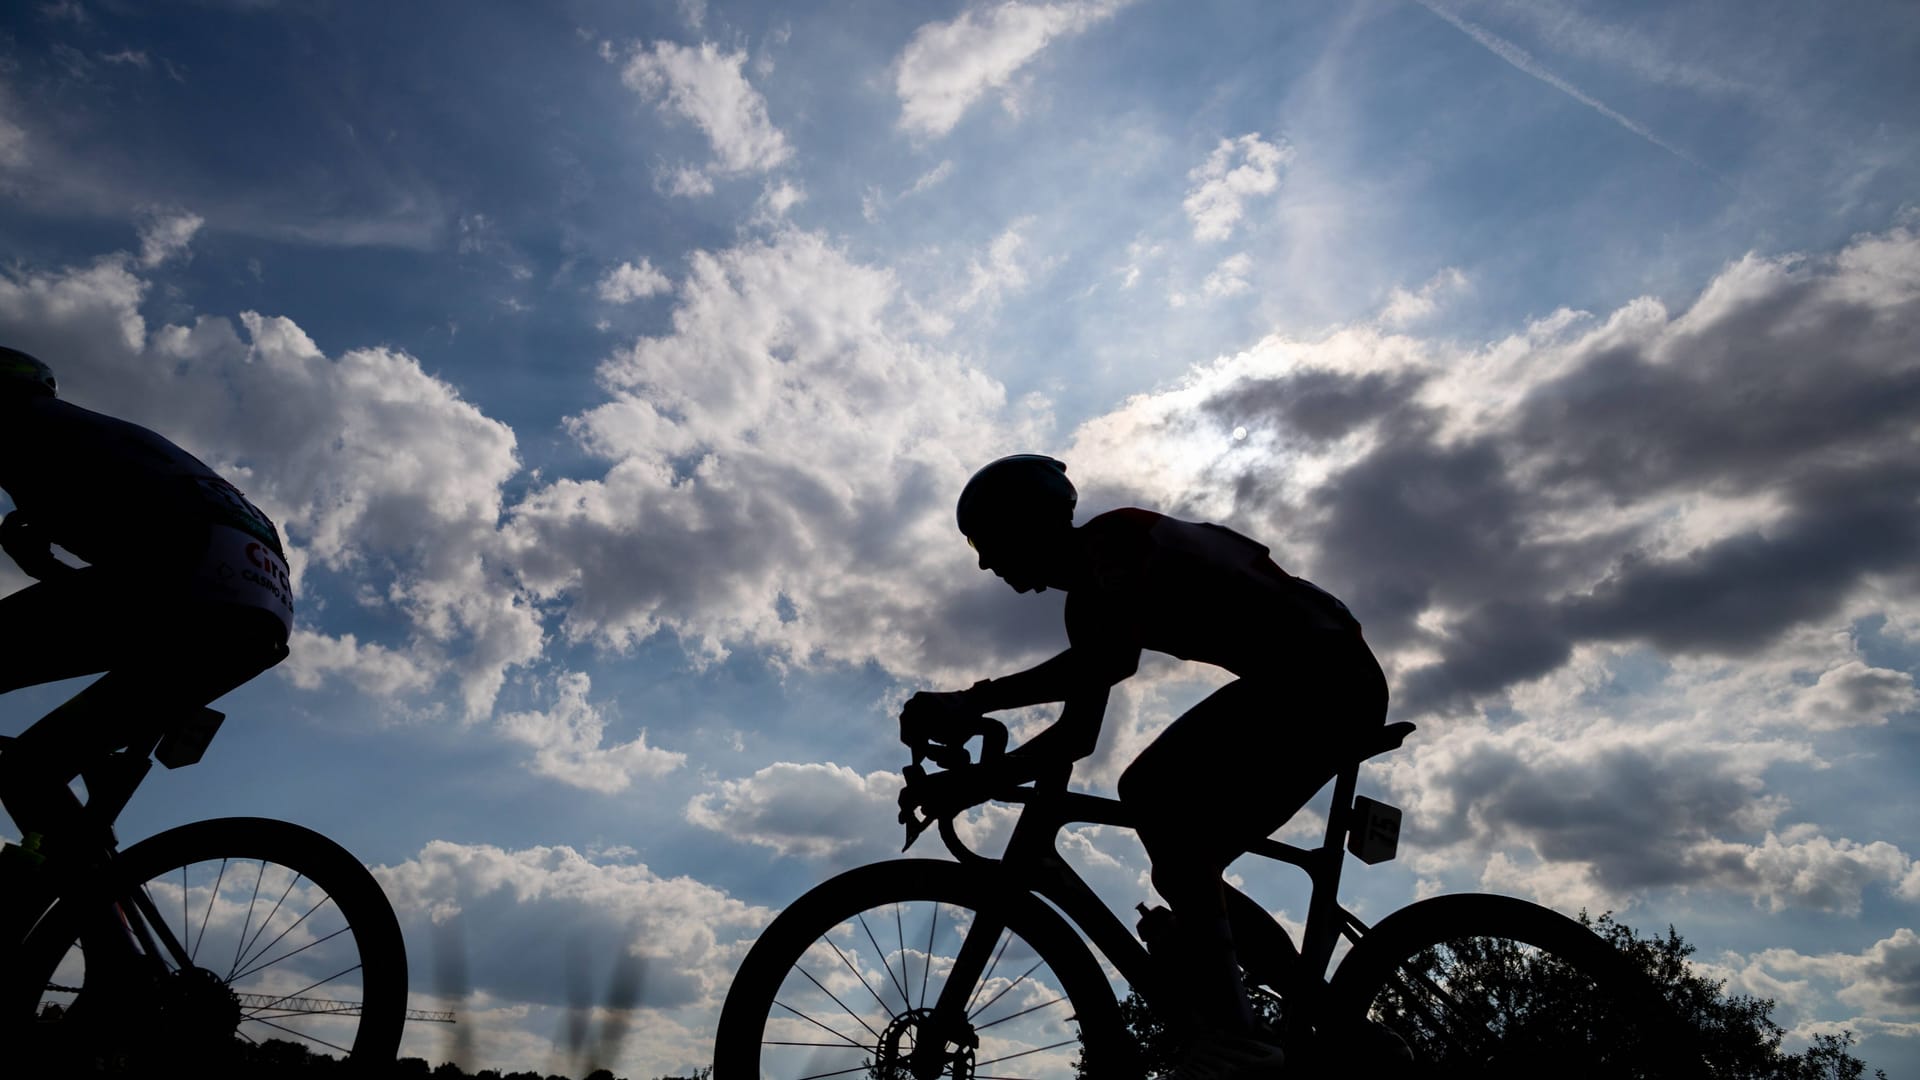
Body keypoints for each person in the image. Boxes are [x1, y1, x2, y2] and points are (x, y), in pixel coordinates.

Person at [899, 453, 1388, 1079]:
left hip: (1326, 672)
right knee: (1183, 868)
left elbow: (1106, 664)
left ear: (1027, 523)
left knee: (1150, 791)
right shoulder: (1087, 601)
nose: (984, 562)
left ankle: (1240, 1042)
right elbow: (1075, 737)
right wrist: (972, 783)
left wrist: (973, 699)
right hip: (1306, 677)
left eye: (986, 541)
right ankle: (1333, 1024)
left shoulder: (1118, 541)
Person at [0, 345, 294, 866]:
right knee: (33, 768)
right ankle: (94, 908)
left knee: (28, 767)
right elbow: (107, 600)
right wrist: (46, 568)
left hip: (183, 584)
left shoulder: (23, 426)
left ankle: (79, 897)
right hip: (258, 609)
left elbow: (109, 600)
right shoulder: (100, 435)